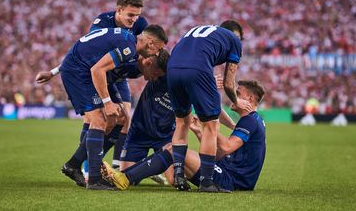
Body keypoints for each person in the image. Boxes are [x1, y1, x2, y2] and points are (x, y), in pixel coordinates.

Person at [35, 0, 148, 169]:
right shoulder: (102, 22)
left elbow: (143, 50)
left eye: (137, 15)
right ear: (118, 10)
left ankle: (117, 168)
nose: (134, 20)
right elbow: (84, 49)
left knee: (125, 118)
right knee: (93, 119)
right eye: (130, 15)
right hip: (97, 73)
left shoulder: (141, 23)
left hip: (118, 74)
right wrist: (54, 71)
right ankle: (87, 168)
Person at [102, 80, 266, 193]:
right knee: (173, 169)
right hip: (227, 171)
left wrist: (208, 124)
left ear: (249, 98)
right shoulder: (252, 121)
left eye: (237, 93)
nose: (232, 95)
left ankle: (124, 178)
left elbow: (226, 147)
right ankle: (128, 175)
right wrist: (200, 131)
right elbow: (219, 155)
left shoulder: (250, 121)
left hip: (232, 180)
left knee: (175, 150)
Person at [59, 24, 167, 190]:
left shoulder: (134, 57)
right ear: (150, 44)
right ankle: (94, 178)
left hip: (94, 72)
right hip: (79, 71)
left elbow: (107, 73)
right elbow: (97, 70)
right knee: (99, 118)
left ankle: (73, 164)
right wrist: (108, 102)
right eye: (158, 49)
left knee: (123, 118)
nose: (158, 53)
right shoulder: (128, 48)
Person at [166, 20, 253, 192]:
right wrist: (237, 101)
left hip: (173, 69)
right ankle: (206, 182)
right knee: (211, 126)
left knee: (182, 122)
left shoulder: (200, 30)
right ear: (237, 36)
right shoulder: (234, 41)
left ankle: (178, 175)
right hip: (197, 70)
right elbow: (229, 83)